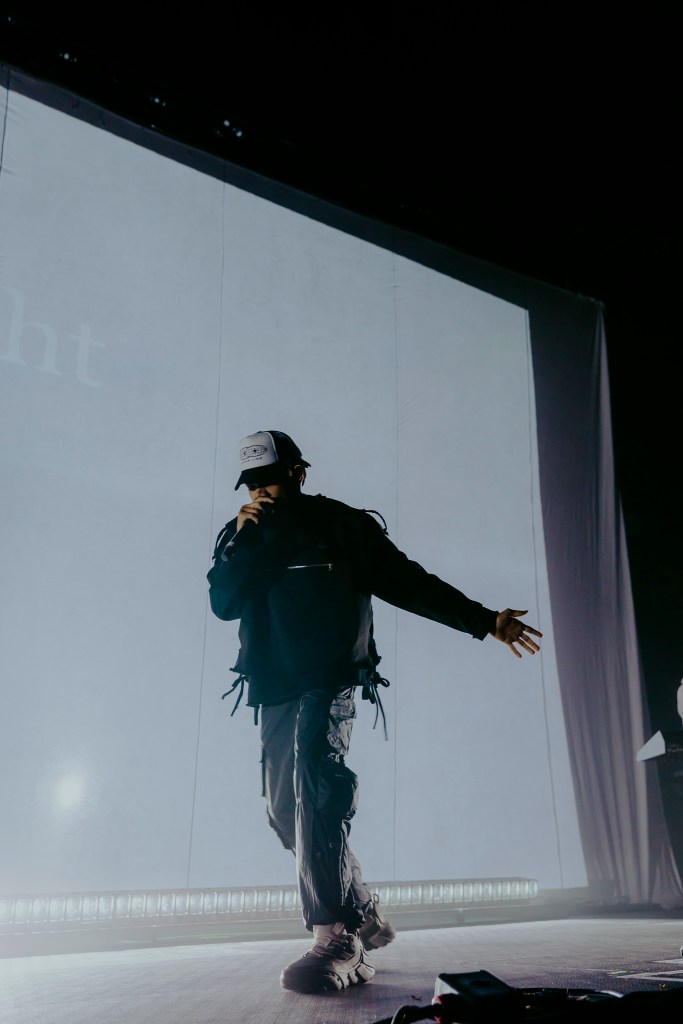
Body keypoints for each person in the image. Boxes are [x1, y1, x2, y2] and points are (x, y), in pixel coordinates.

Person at [207, 429, 543, 995]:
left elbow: (409, 583)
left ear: (298, 472)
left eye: (272, 477)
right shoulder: (246, 537)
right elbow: (222, 603)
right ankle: (362, 910)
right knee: (284, 813)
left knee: (319, 788)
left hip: (329, 680)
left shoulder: (343, 527)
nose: (263, 490)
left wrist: (485, 621)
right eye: (253, 482)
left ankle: (336, 937)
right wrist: (245, 541)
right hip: (274, 686)